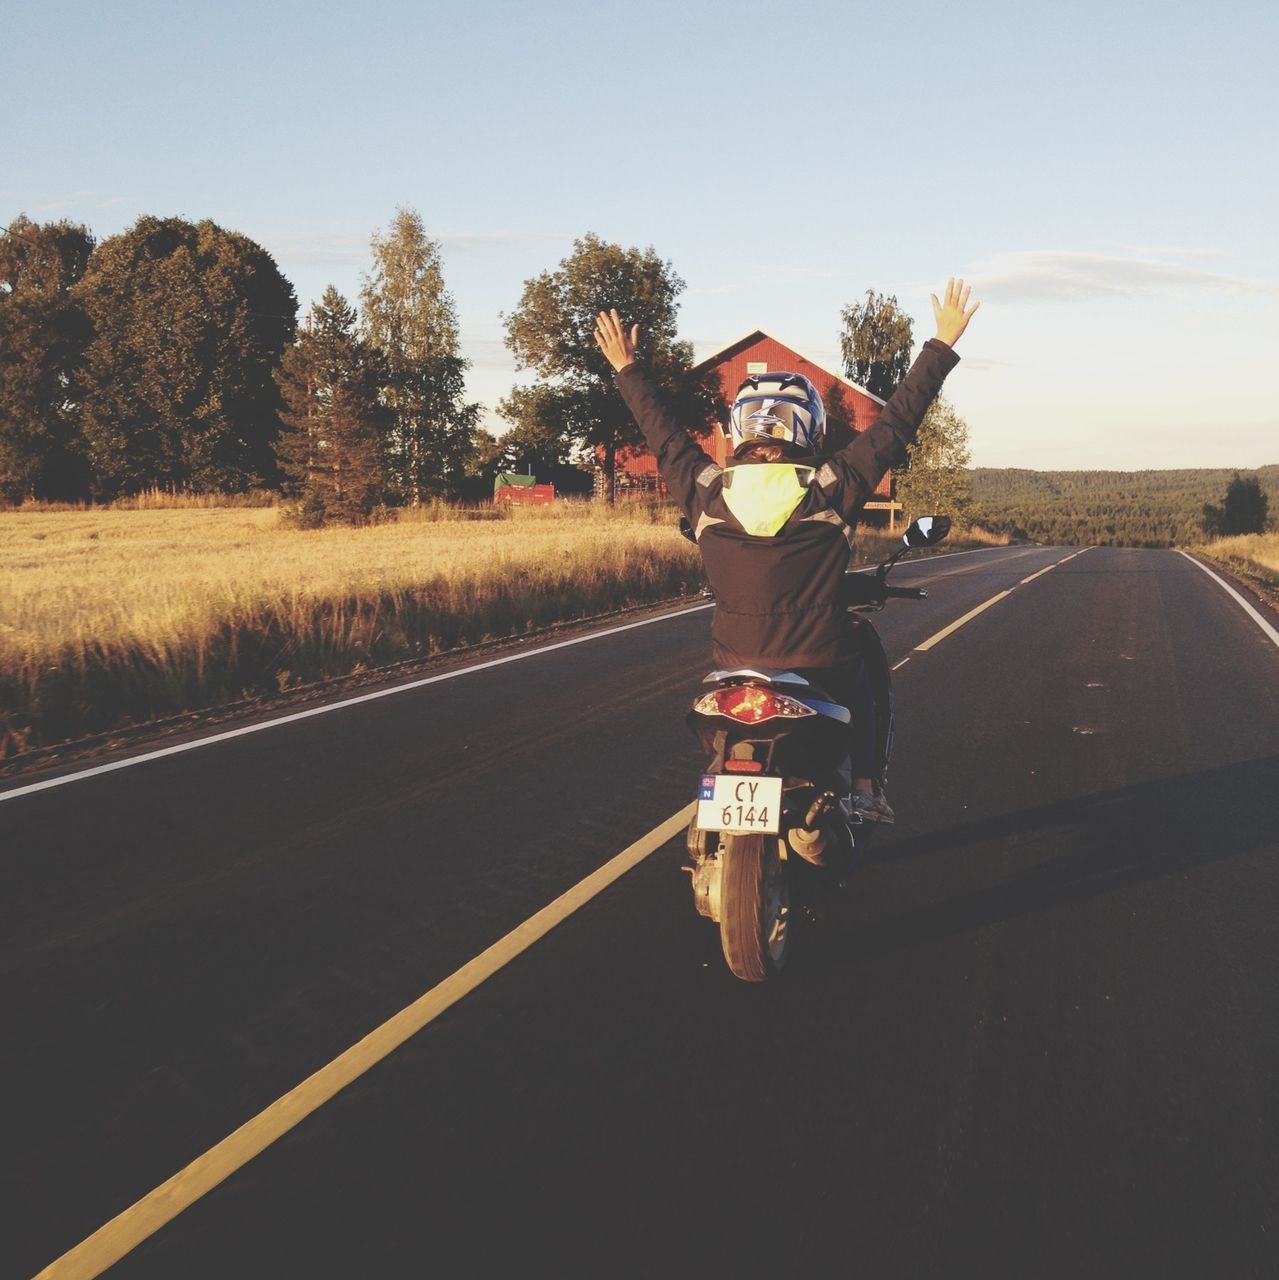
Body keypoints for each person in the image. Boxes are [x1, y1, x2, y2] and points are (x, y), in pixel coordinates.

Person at [594, 279, 979, 824]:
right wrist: (940, 345)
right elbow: (895, 426)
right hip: (819, 661)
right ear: (810, 429)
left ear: (738, 433)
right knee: (865, 679)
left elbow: (664, 435)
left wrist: (626, 367)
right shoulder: (830, 485)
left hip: (734, 664)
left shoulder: (707, 490)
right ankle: (865, 789)